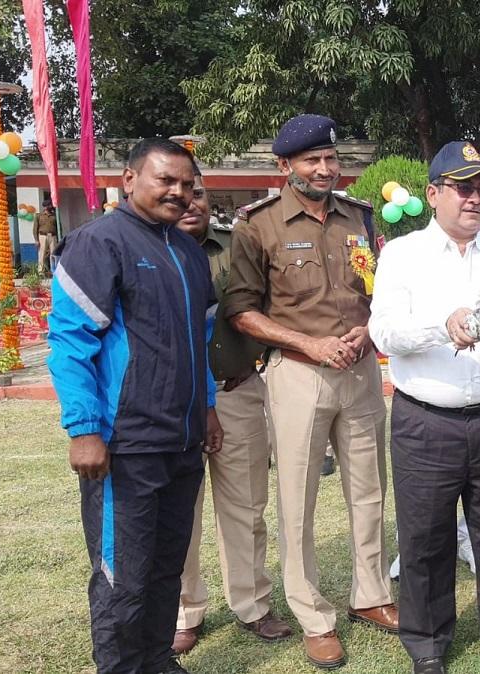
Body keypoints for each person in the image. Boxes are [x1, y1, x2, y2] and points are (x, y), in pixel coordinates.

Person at [224, 114, 396, 669]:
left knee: (369, 491)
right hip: (299, 374)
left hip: (361, 372)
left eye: (330, 158)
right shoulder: (257, 225)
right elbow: (241, 311)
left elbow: (379, 289)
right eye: (312, 160)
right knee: (298, 499)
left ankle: (371, 594)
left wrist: (369, 330)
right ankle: (314, 616)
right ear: (285, 166)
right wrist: (309, 344)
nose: (325, 169)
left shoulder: (359, 216)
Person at [369, 140, 480, 674]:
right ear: (432, 194)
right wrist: (442, 326)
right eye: (461, 188)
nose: (474, 198)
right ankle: (426, 644)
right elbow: (385, 333)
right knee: (424, 538)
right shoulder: (403, 254)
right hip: (426, 421)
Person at [47, 137, 223, 674]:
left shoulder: (189, 252)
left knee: (167, 567)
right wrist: (84, 429)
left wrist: (207, 407)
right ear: (129, 179)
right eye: (165, 180)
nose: (178, 192)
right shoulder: (99, 242)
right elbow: (70, 342)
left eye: (187, 184)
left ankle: (157, 661)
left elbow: (200, 341)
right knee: (123, 574)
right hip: (126, 446)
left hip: (182, 443)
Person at [171, 168, 290, 655]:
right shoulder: (150, 249)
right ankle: (183, 611)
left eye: (198, 192)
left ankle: (252, 603)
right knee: (180, 513)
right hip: (175, 403)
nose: (190, 202)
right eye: (180, 193)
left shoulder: (238, 244)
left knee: (246, 506)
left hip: (236, 391)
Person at [34, 199, 58, 276]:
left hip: (53, 236)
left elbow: (58, 227)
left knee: (53, 254)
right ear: (45, 207)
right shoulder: (39, 216)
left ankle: (54, 271)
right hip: (42, 236)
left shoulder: (54, 215)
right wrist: (36, 240)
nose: (50, 206)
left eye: (50, 205)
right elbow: (35, 229)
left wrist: (58, 238)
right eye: (49, 205)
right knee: (42, 254)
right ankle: (41, 272)